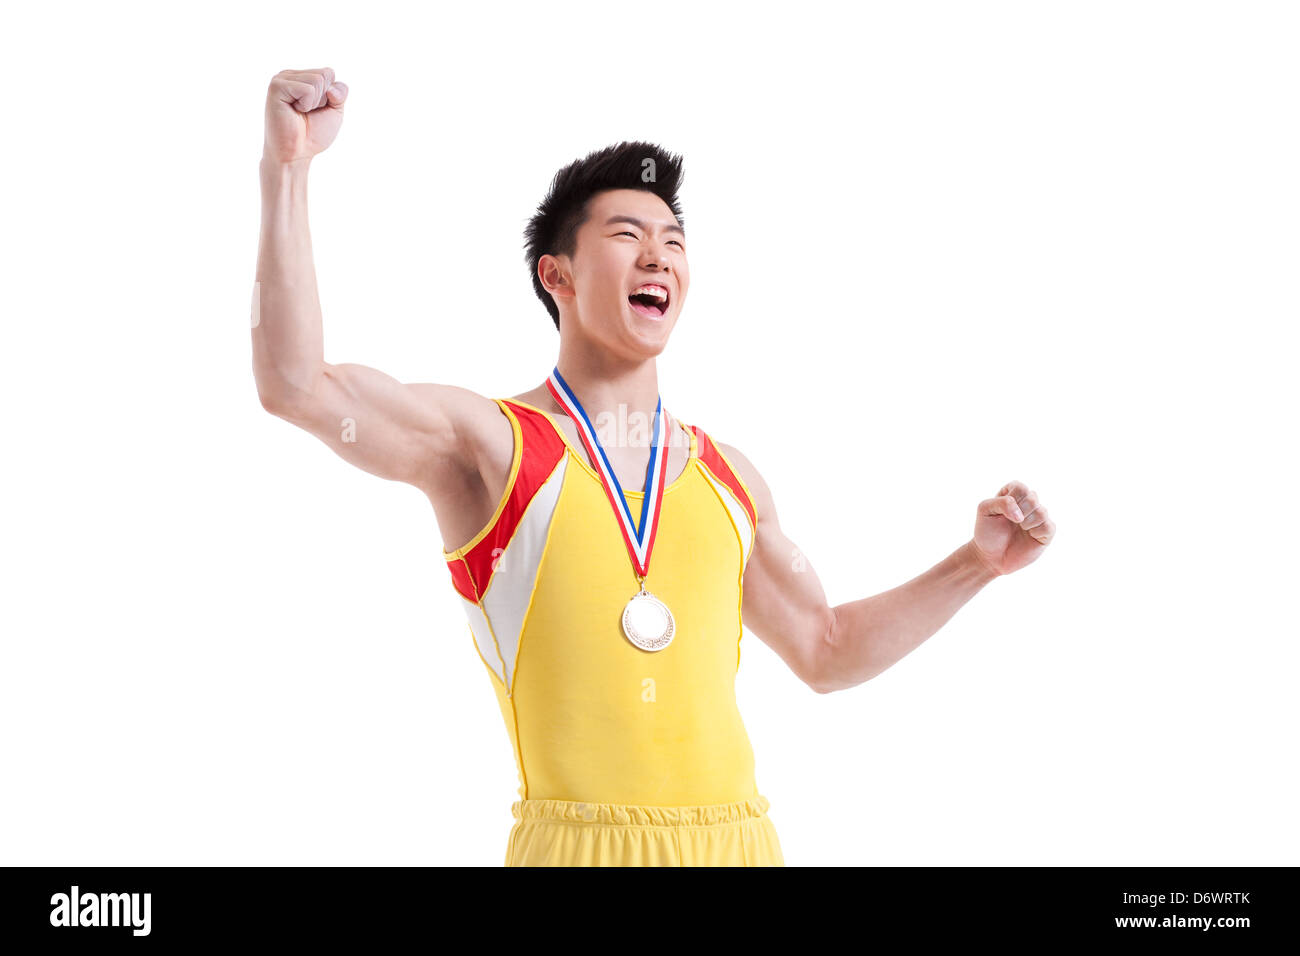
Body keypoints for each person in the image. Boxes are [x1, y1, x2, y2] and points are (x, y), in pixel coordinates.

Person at [251, 67, 1057, 867]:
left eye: (673, 241)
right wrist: (287, 171)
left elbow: (827, 648)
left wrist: (975, 564)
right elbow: (297, 385)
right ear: (556, 275)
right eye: (628, 236)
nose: (659, 257)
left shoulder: (728, 479)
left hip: (741, 847)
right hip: (580, 851)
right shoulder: (489, 447)